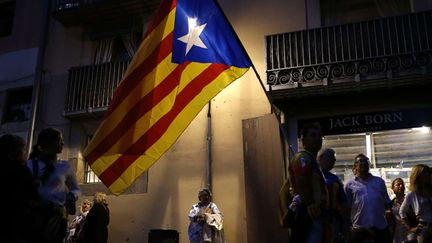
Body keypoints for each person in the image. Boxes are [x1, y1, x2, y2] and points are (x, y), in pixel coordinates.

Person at [27, 127, 81, 243]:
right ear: (48, 143)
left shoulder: (64, 166)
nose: (63, 143)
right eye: (59, 140)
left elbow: (76, 189)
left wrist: (72, 196)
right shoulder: (30, 165)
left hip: (56, 216)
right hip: (35, 215)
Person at [288, 122, 327, 243]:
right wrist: (311, 205)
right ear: (303, 140)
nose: (317, 138)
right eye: (313, 135)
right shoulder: (302, 158)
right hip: (307, 214)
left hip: (313, 214)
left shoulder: (311, 160)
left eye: (319, 136)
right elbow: (301, 182)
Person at [344, 154, 392, 243]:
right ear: (355, 166)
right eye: (360, 161)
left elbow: (387, 203)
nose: (363, 163)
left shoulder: (379, 182)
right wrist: (348, 227)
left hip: (380, 228)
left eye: (365, 161)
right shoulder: (349, 185)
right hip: (359, 230)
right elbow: (347, 208)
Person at [0, 134, 38, 242]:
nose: (25, 152)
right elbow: (32, 198)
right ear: (15, 152)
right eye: (23, 149)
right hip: (16, 223)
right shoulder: (21, 170)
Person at [318, 148, 347, 242]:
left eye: (334, 159)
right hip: (314, 218)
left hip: (331, 220)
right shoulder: (311, 174)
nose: (334, 161)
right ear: (321, 158)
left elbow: (343, 201)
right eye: (331, 158)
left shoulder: (335, 179)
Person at [400, 164, 432, 243]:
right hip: (424, 228)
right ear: (417, 175)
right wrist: (410, 228)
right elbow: (402, 212)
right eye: (424, 173)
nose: (427, 175)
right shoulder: (412, 194)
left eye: (428, 173)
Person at [388, 178, 409, 243]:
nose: (401, 186)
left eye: (402, 184)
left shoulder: (409, 200)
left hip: (409, 231)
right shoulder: (391, 203)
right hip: (397, 233)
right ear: (393, 188)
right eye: (398, 185)